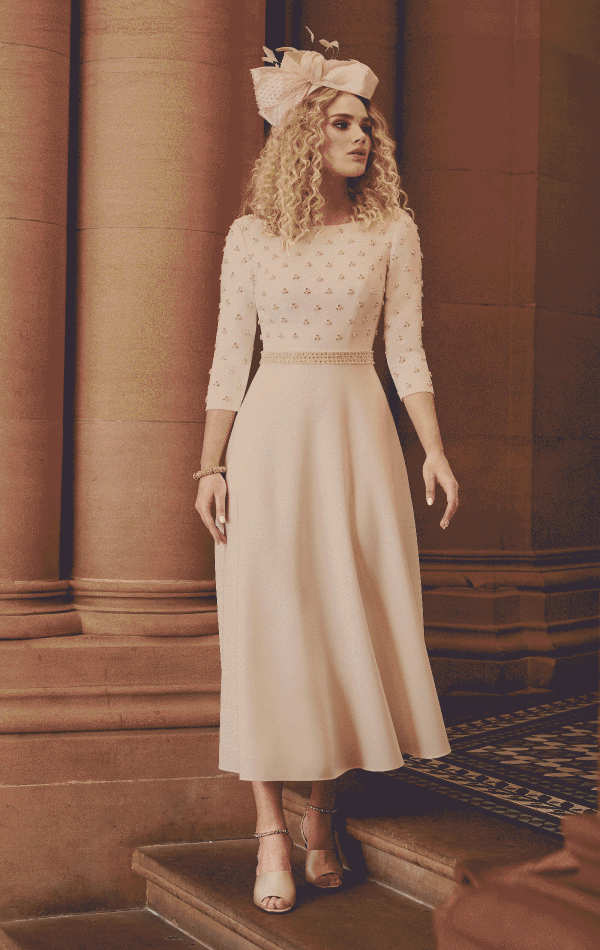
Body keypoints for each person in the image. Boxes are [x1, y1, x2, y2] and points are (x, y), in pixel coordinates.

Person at [194, 34, 459, 915]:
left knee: (347, 620)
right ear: (306, 138)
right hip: (270, 437)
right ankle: (270, 828)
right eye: (342, 123)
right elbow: (231, 358)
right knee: (270, 627)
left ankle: (321, 819)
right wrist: (209, 463)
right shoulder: (251, 236)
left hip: (358, 434)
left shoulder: (393, 230)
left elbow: (407, 351)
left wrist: (434, 447)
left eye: (366, 126)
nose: (362, 138)